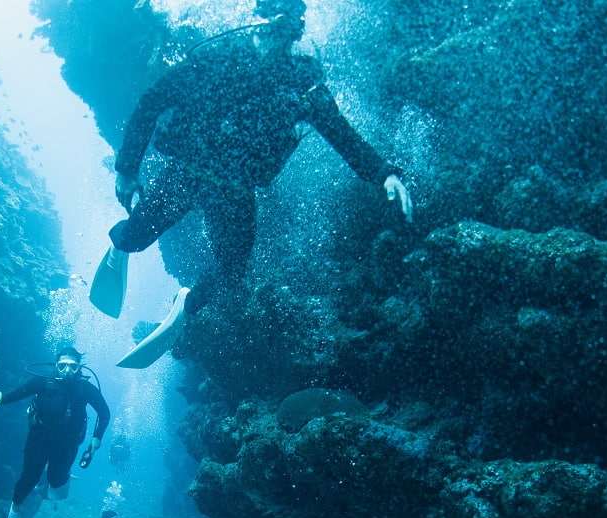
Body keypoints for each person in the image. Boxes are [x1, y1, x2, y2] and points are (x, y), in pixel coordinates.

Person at [97, 0, 413, 329]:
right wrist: (127, 167)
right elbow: (153, 101)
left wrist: (384, 173)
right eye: (269, 10)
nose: (275, 21)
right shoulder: (218, 57)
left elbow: (339, 131)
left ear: (295, 28)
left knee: (231, 270)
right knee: (133, 239)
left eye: (286, 16)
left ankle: (186, 307)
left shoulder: (302, 79)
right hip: (189, 171)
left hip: (236, 189)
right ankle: (119, 247)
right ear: (256, 15)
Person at [0, 347, 111, 518]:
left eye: (72, 367)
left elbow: (104, 412)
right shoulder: (43, 383)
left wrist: (97, 438)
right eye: (62, 365)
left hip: (67, 444)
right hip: (38, 440)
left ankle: (61, 477)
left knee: (56, 481)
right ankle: (14, 512)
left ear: (79, 368)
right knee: (28, 478)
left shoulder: (84, 389)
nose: (67, 370)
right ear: (56, 367)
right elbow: (18, 393)